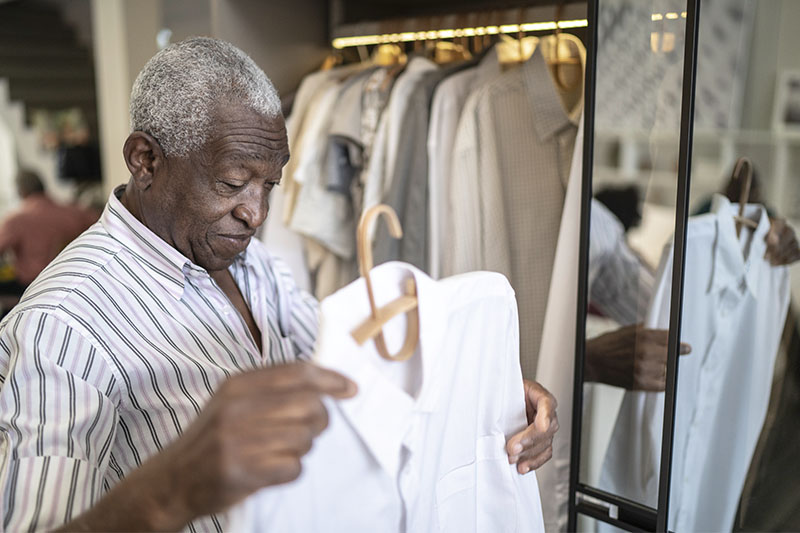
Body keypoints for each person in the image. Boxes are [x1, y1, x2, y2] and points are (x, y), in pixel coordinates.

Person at [0, 37, 558, 532]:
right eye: (233, 183)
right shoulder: (61, 328)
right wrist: (169, 490)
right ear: (145, 160)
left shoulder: (253, 264)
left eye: (270, 185)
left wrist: (484, 392)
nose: (256, 213)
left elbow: (357, 370)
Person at [0, 170, 98, 291]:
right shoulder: (75, 212)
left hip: (31, 287)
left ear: (21, 191)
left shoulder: (16, 220)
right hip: (73, 282)